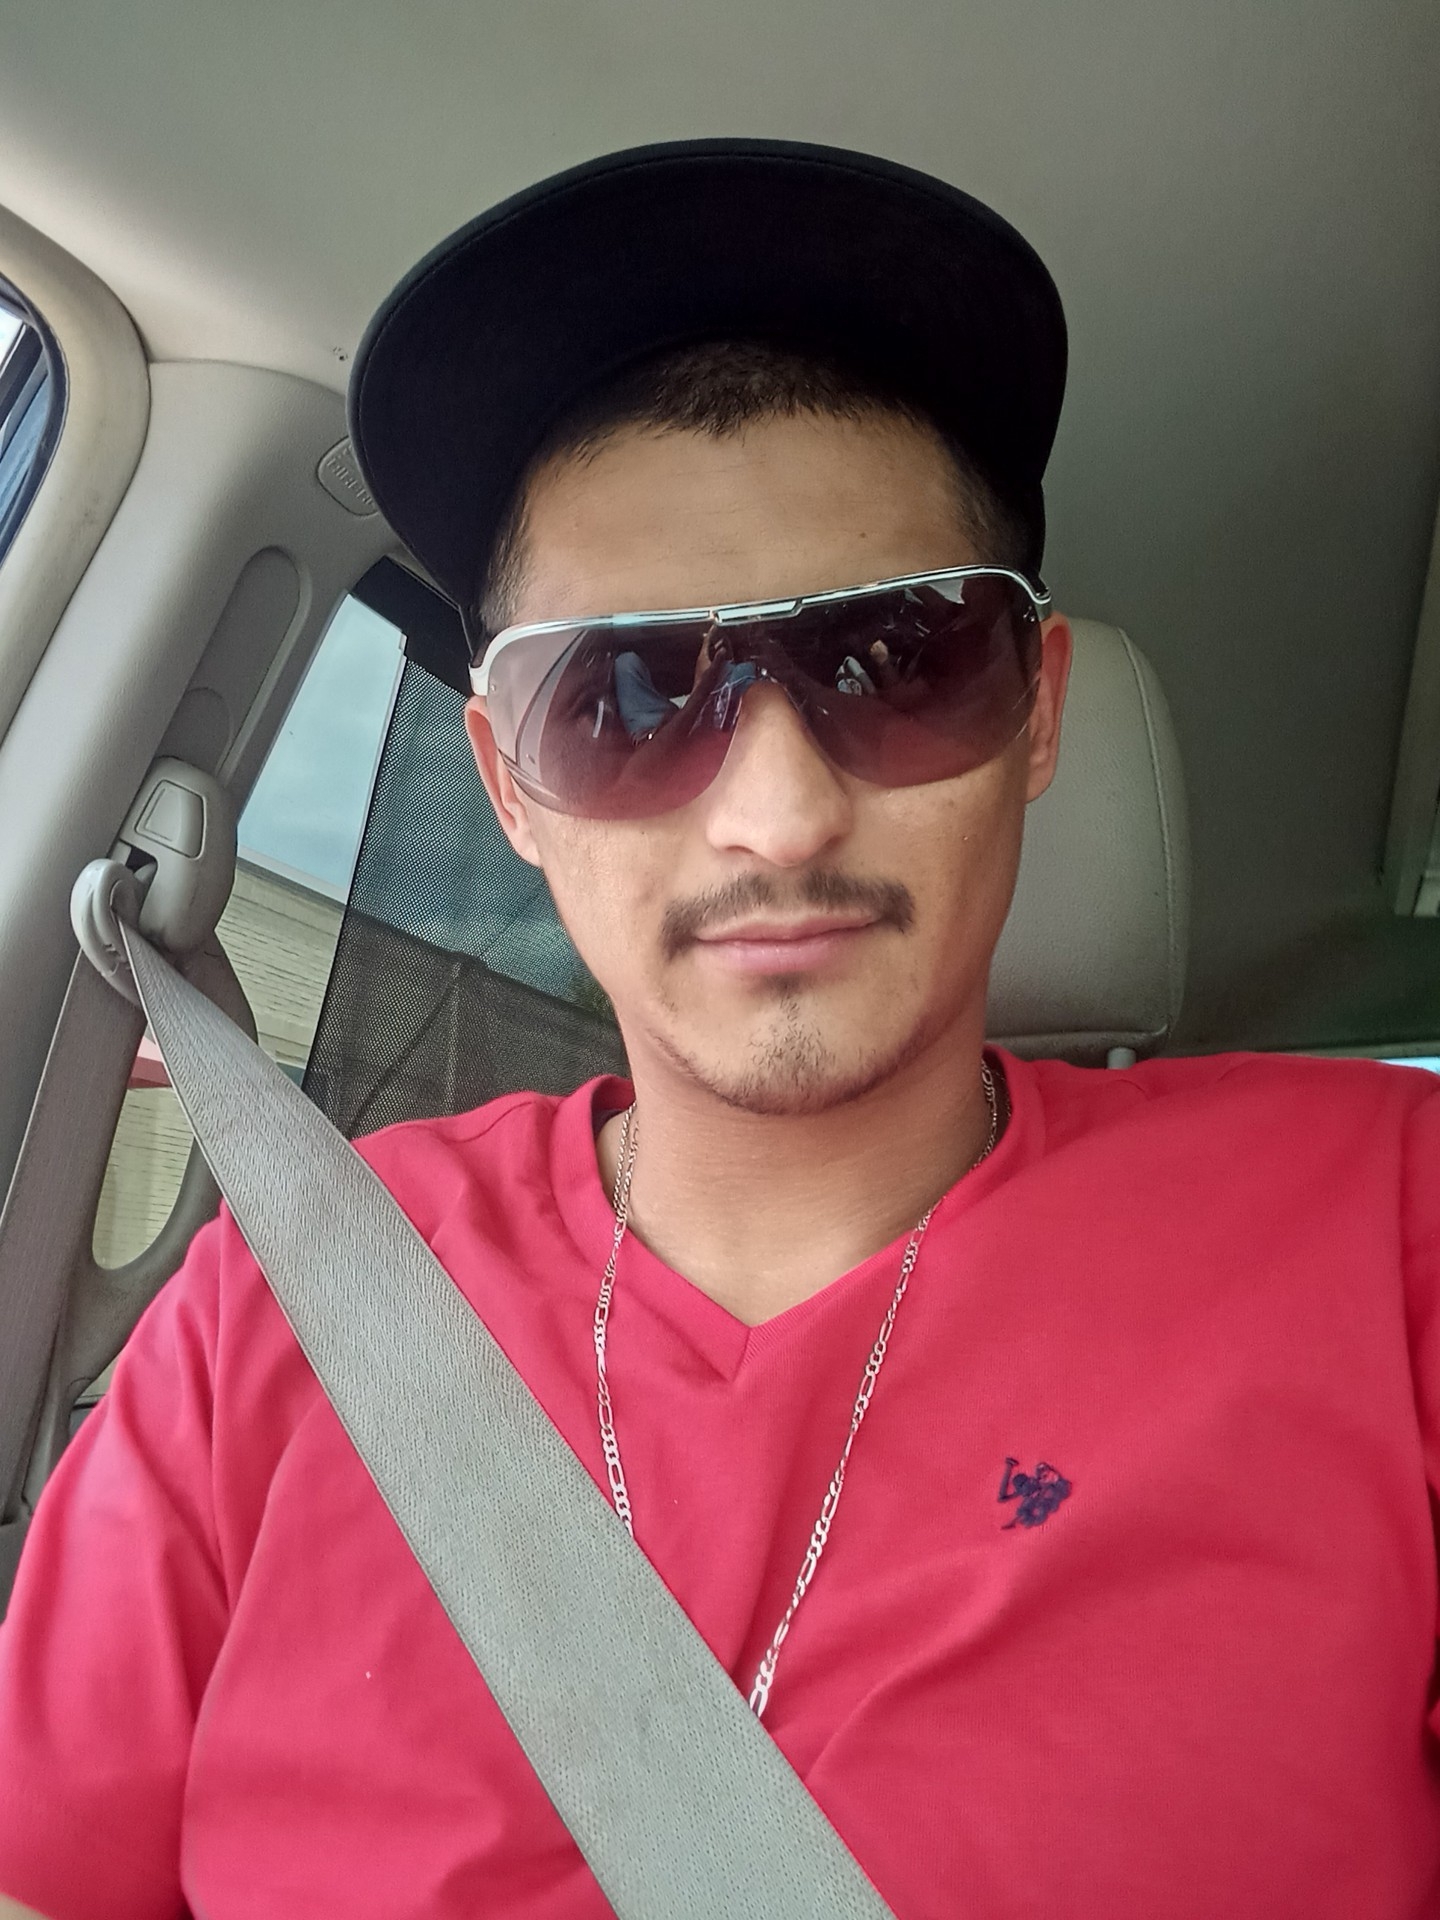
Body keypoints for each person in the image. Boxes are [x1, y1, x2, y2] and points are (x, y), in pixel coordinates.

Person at [1, 138, 1439, 1920]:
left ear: (1037, 716)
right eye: (620, 698)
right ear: (509, 786)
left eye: (897, 663)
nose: (776, 817)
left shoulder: (1389, 1229)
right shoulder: (281, 1308)